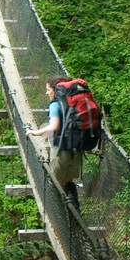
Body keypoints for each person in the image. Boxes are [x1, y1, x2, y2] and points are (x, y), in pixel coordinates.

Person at [26, 77, 82, 209]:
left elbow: (55, 126)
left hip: (61, 150)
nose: (47, 93)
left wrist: (35, 132)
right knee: (68, 181)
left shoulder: (55, 105)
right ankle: (75, 213)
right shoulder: (73, 103)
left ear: (55, 91)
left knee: (55, 183)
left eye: (48, 90)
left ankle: (61, 215)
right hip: (77, 148)